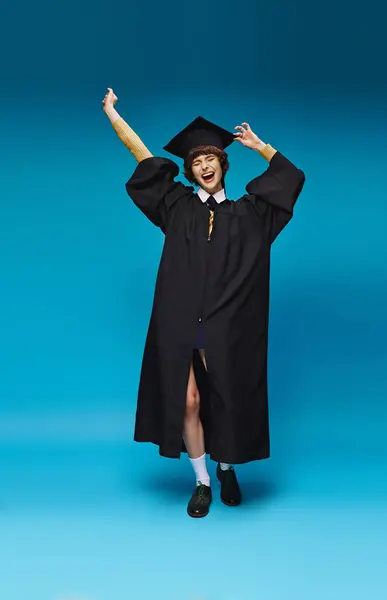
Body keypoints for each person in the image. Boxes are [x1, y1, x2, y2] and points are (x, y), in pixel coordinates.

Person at [102, 88, 305, 518]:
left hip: (227, 325)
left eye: (210, 158)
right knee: (189, 401)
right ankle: (202, 480)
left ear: (222, 164)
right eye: (196, 161)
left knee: (225, 394)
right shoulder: (175, 207)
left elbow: (291, 178)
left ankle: (227, 466)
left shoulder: (250, 215)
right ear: (190, 171)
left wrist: (261, 147)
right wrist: (114, 116)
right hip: (180, 321)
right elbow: (143, 161)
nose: (204, 165)